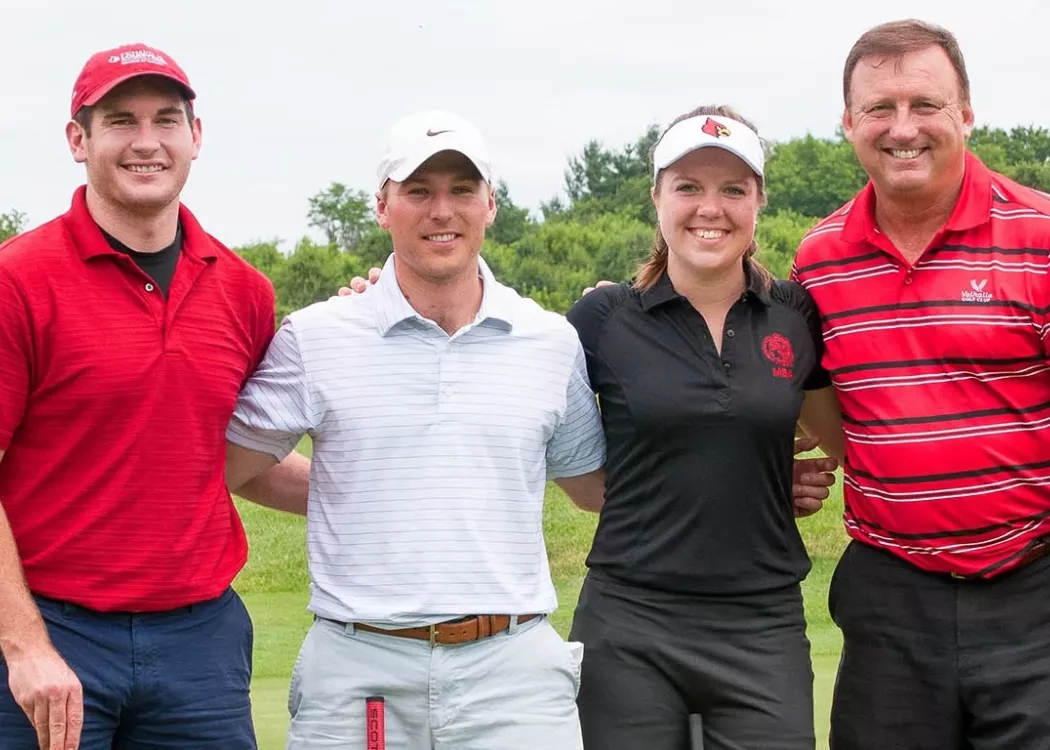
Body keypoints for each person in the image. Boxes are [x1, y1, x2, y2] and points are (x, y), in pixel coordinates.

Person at [224, 110, 608, 750]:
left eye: (462, 190)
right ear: (382, 206)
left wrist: (751, 467)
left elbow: (593, 488)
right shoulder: (318, 337)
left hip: (512, 673)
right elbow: (229, 466)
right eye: (418, 191)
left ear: (491, 203)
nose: (442, 210)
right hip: (358, 670)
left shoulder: (549, 340)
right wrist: (357, 487)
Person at [0, 44, 307, 750]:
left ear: (195, 137)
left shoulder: (244, 291)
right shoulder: (17, 281)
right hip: (53, 633)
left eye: (166, 120)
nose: (146, 142)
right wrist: (25, 647)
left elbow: (237, 460)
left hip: (200, 643)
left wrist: (382, 486)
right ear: (79, 140)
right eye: (120, 120)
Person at [791, 19, 1050, 749]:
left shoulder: (1039, 236)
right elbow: (815, 405)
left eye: (925, 105)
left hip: (1033, 587)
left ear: (965, 113)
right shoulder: (820, 260)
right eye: (879, 108)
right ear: (849, 124)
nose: (902, 128)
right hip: (892, 598)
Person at [558, 105, 843, 750]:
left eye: (732, 189)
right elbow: (567, 465)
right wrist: (383, 293)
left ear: (758, 201)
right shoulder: (603, 317)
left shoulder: (795, 312)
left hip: (761, 623)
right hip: (628, 622)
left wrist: (764, 474)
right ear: (656, 197)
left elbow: (840, 439)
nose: (709, 208)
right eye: (688, 187)